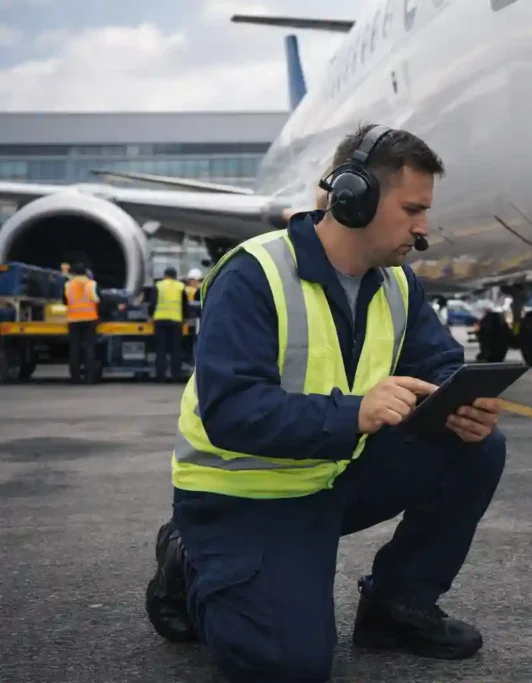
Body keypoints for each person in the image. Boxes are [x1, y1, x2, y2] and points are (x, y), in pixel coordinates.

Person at [144, 123, 507, 683]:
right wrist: (355, 412)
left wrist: (460, 401)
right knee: (289, 666)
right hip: (245, 496)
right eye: (411, 209)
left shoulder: (397, 284)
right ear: (353, 197)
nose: (423, 228)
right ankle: (188, 559)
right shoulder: (254, 274)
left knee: (476, 446)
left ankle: (396, 605)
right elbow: (230, 410)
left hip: (330, 475)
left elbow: (438, 364)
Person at [149, 266, 189, 382]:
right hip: (176, 321)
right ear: (175, 276)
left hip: (160, 320)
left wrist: (150, 315)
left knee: (160, 349)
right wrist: (185, 318)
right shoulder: (180, 286)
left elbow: (153, 303)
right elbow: (185, 305)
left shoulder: (159, 285)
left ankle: (161, 376)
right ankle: (176, 375)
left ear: (165, 275)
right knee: (176, 349)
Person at [63, 261, 100, 383]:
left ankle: (75, 377)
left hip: (73, 319)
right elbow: (98, 299)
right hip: (90, 319)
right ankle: (90, 378)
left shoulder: (68, 284)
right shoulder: (92, 284)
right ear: (86, 273)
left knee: (74, 348)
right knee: (89, 348)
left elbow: (64, 300)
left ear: (73, 273)